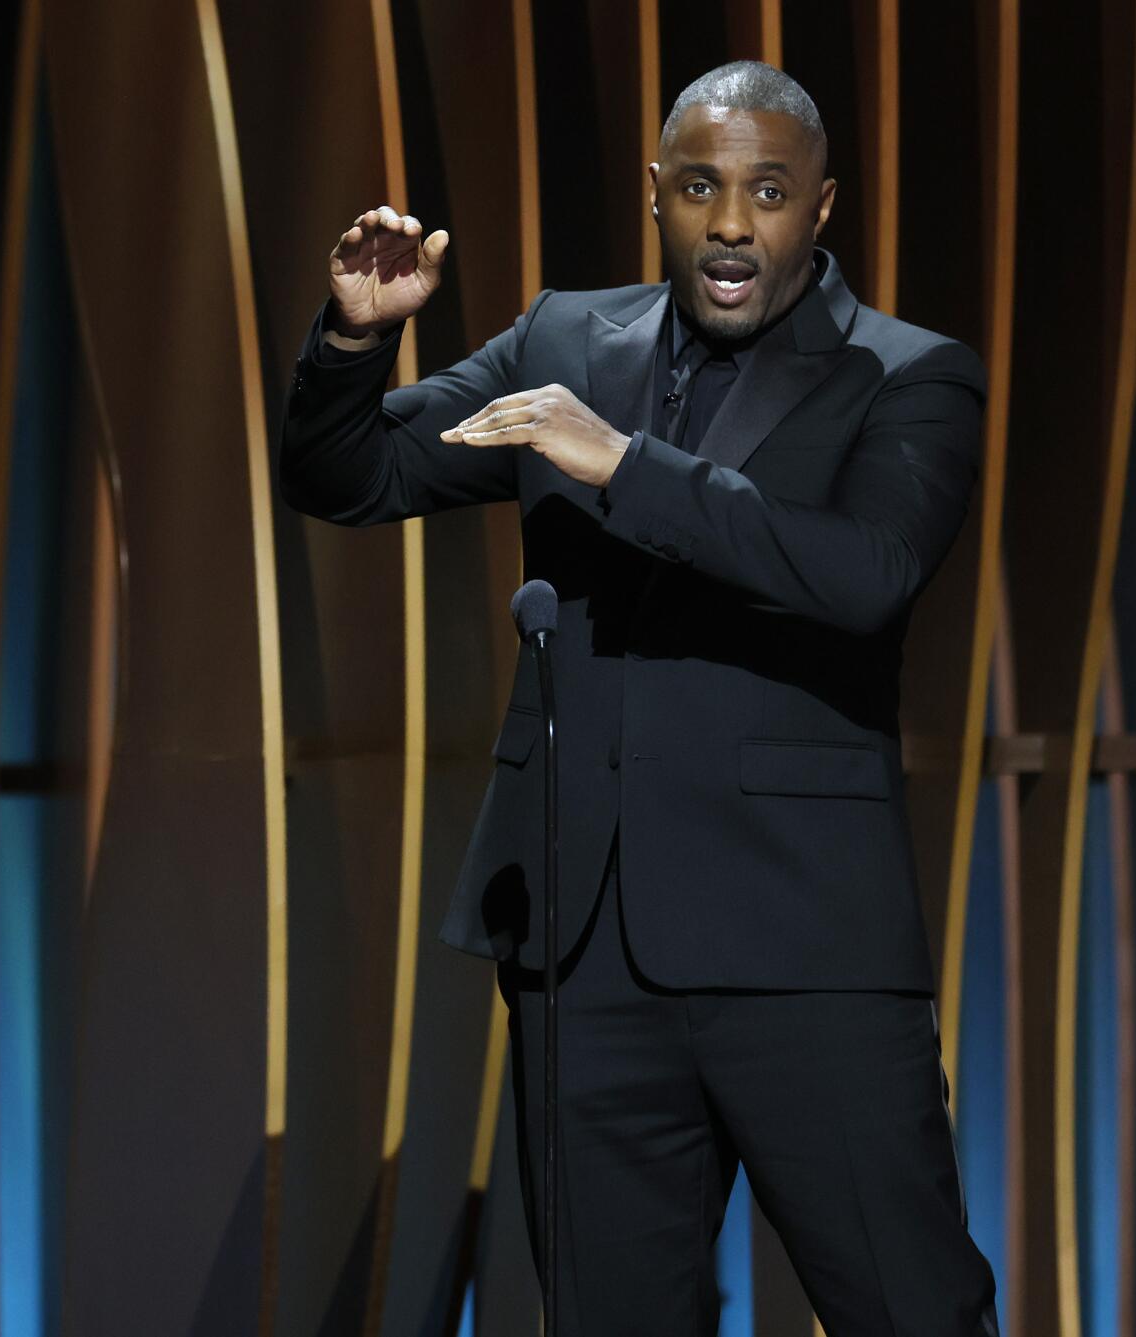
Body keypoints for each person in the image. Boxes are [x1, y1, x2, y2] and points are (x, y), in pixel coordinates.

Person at [277, 60, 999, 1334]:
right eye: (702, 188)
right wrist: (353, 334)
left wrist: (619, 464)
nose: (732, 223)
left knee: (912, 1311)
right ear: (658, 198)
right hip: (584, 950)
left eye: (767, 192)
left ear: (818, 210)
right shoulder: (567, 341)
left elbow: (864, 574)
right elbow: (352, 476)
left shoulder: (907, 374)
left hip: (803, 950)